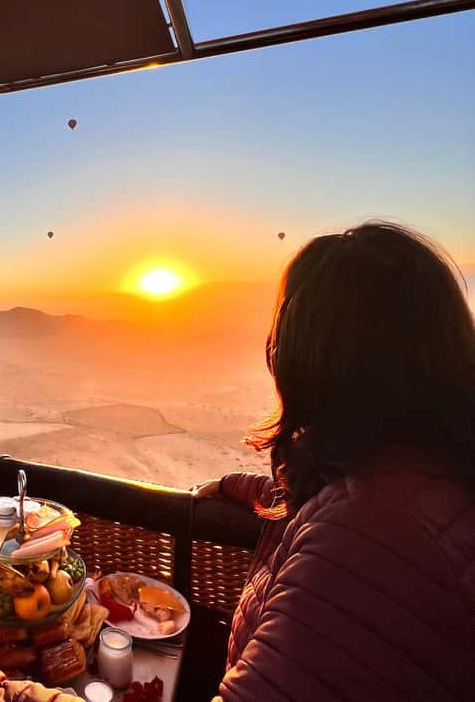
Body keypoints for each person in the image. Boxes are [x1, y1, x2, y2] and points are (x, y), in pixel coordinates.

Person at [192, 222, 475, 702]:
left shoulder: (369, 533)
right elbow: (318, 502)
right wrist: (233, 485)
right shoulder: (428, 477)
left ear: (313, 358)